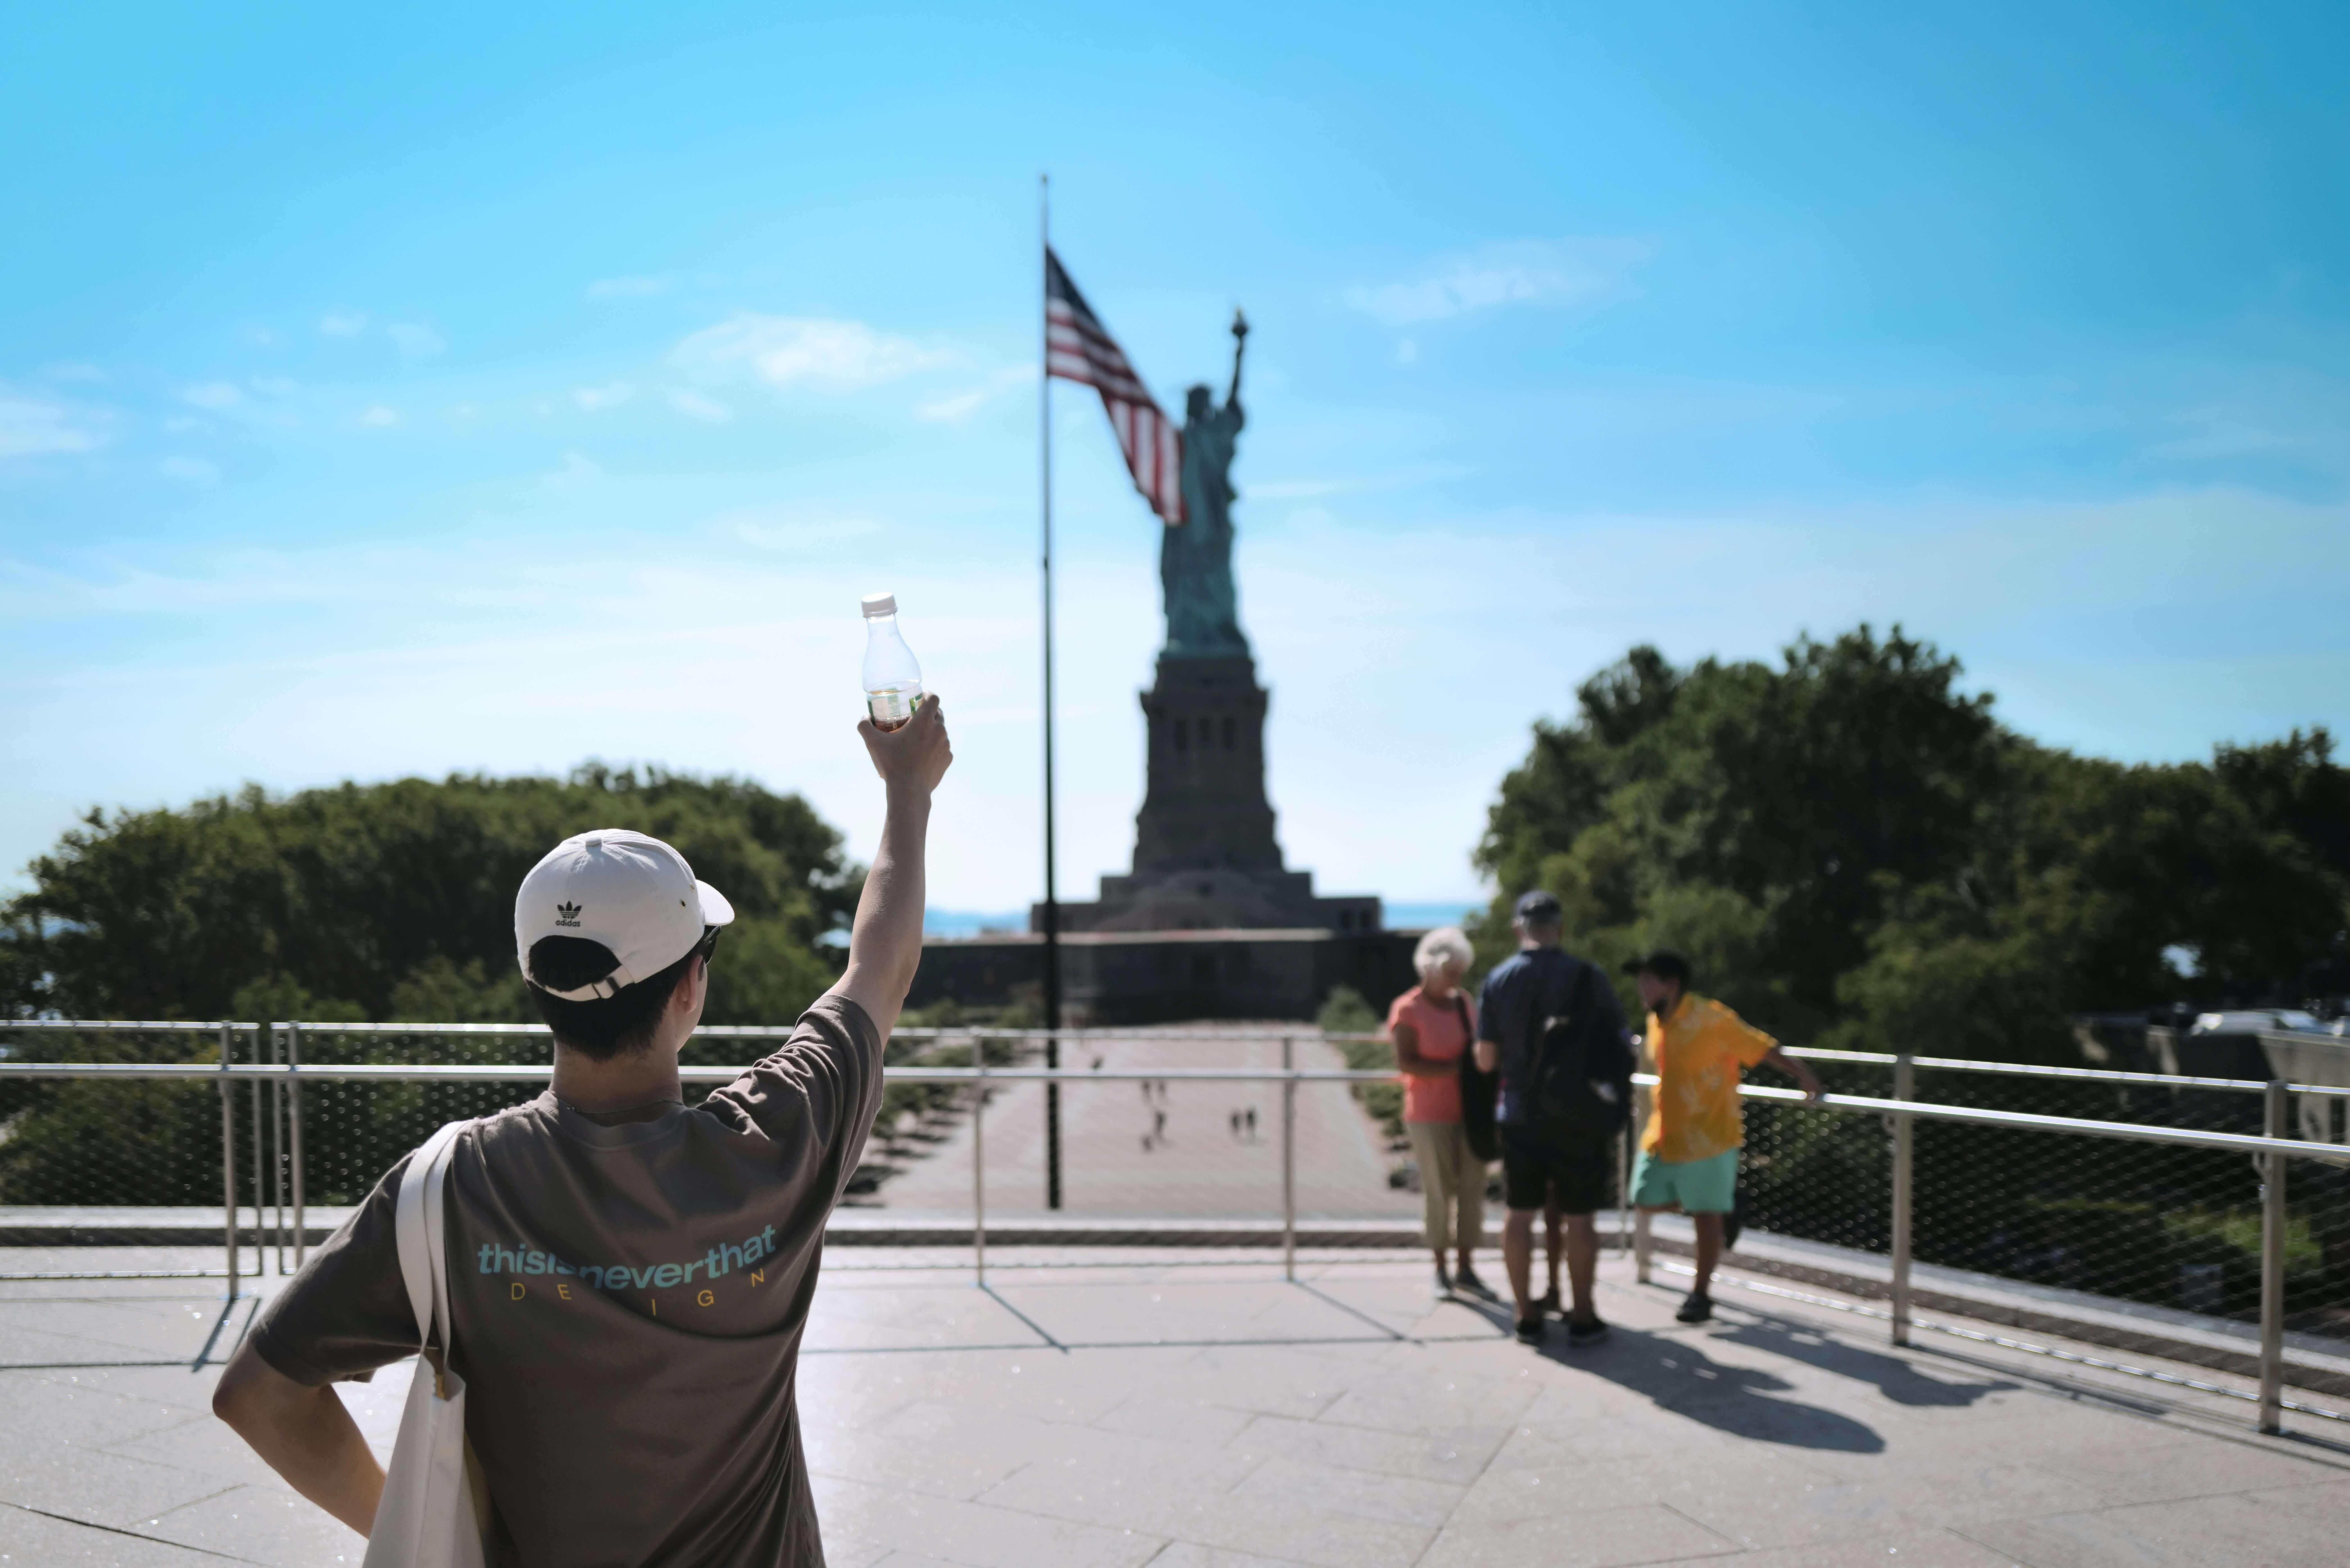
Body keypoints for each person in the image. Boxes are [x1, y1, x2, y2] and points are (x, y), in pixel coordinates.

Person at [211, 696, 954, 1564]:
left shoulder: (452, 1186)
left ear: (537, 985)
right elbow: (881, 965)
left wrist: (426, 1539)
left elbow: (256, 1397)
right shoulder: (781, 1140)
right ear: (688, 990)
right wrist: (908, 791)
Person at [1626, 948, 1822, 1324]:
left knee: (1704, 1219)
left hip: (1709, 1137)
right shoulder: (1655, 1020)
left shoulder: (1711, 1018)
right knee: (1644, 1199)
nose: (1641, 988)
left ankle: (1700, 1295)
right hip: (1665, 1135)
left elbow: (1761, 1047)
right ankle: (1724, 1207)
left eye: (1647, 980)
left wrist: (1803, 1075)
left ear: (1671, 984)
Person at [1476, 891, 1632, 1346]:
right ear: (1560, 929)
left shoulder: (1499, 980)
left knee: (1519, 1215)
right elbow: (1621, 1040)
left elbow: (1486, 1060)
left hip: (1520, 1114)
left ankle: (1526, 1316)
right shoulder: (1589, 977)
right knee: (1580, 1219)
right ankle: (1583, 1316)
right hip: (1579, 1115)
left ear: (1518, 929)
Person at [1386, 926, 1490, 1299]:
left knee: (1472, 1191)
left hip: (1470, 1112)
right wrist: (1458, 1071)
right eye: (1451, 971)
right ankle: (1440, 1269)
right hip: (1429, 1113)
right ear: (1431, 968)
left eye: (1460, 972)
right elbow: (1408, 1063)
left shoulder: (1464, 1003)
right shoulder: (1408, 1008)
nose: (1457, 978)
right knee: (1438, 1191)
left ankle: (1466, 1267)